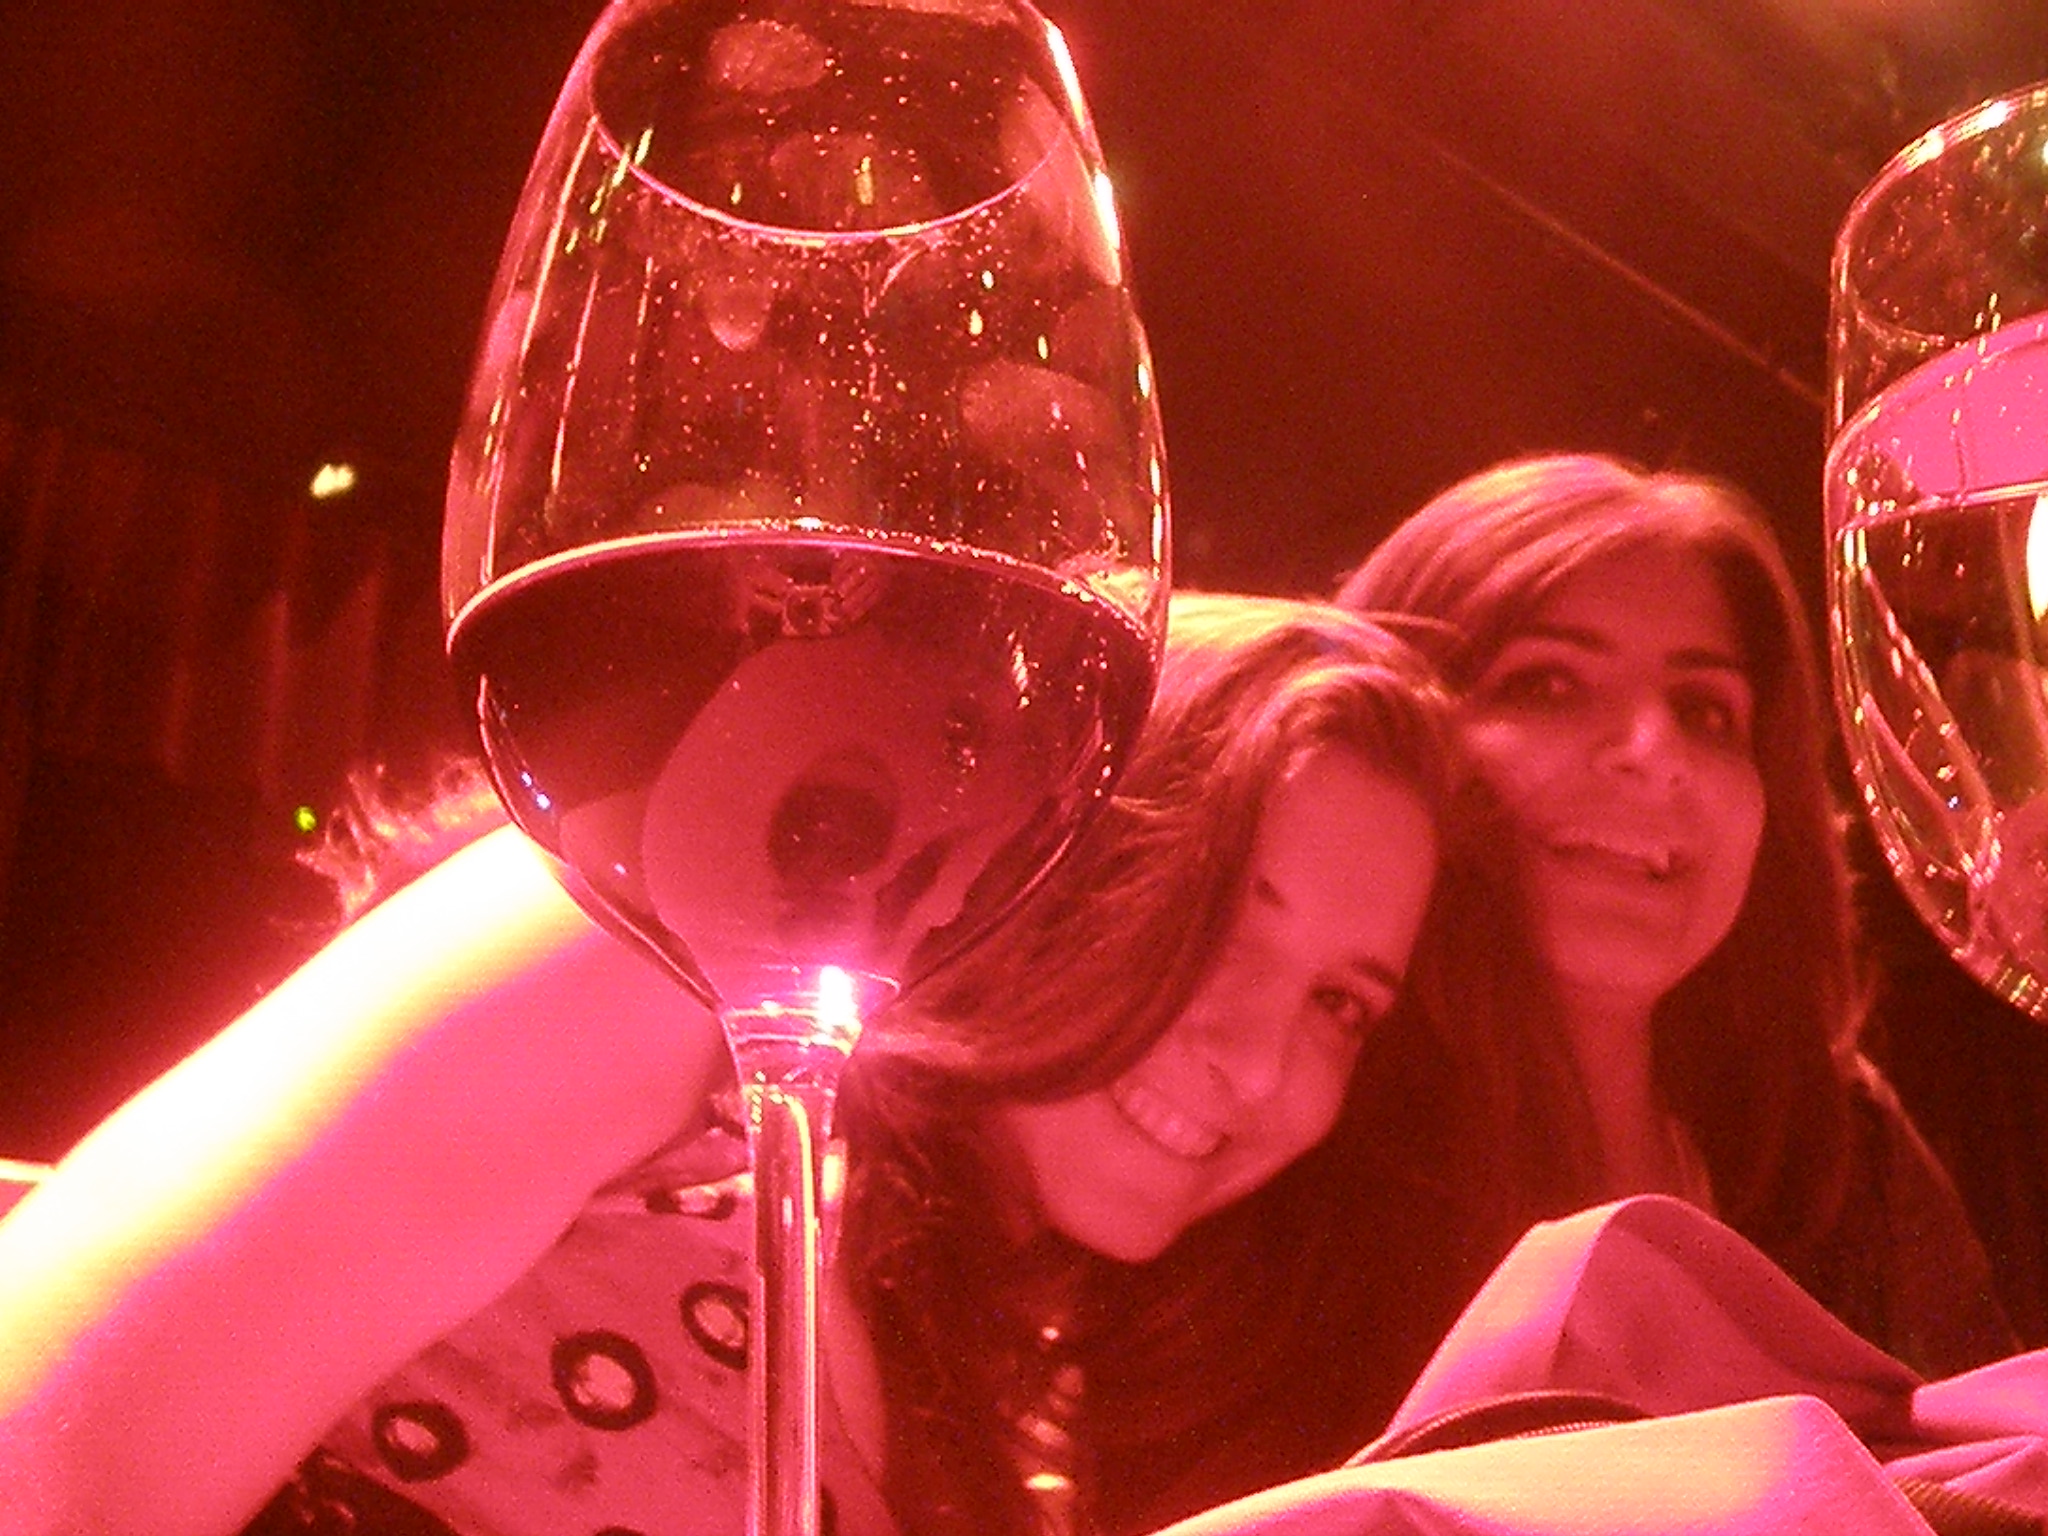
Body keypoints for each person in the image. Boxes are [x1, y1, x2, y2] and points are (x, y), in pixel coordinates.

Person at [0, 591, 1488, 1536]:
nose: (1257, 1061)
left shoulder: (1035, 1417)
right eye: (1215, 916)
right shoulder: (664, 976)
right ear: (1041, 844)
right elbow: (42, 1440)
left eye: (1341, 1004)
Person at [1334, 450, 2020, 1381]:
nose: (1655, 753)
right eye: (1548, 684)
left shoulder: (1840, 1152)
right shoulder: (1278, 1141)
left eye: (1705, 710)